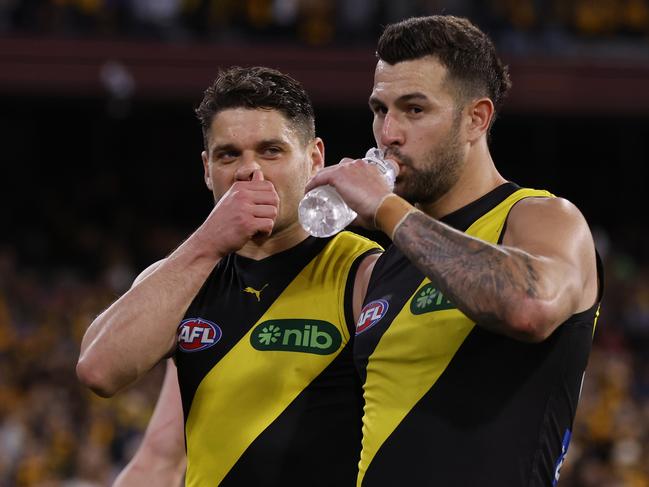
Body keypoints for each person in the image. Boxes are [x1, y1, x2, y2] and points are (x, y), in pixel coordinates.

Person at [305, 15, 603, 487]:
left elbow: (531, 306)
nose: (389, 134)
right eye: (380, 110)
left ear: (475, 119)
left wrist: (386, 209)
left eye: (414, 109)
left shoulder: (539, 217)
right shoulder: (386, 264)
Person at [77, 66, 382, 486]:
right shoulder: (186, 276)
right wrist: (208, 242)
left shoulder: (361, 270)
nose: (249, 171)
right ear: (207, 169)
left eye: (271, 151)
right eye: (228, 154)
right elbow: (99, 371)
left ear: (314, 159)